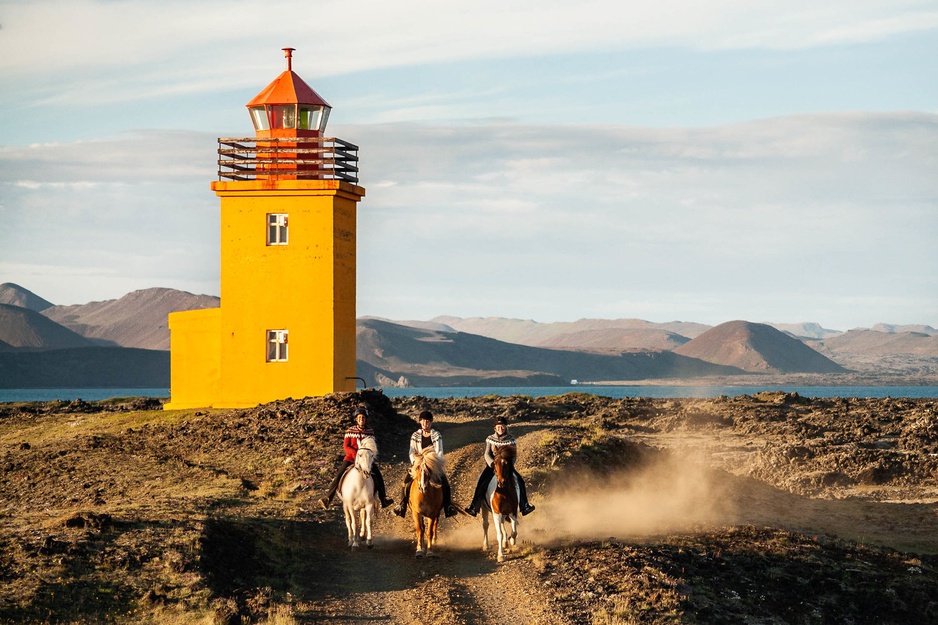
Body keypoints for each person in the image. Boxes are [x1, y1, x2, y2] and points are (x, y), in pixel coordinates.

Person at [319, 407, 393, 509]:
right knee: (339, 475)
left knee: (378, 476)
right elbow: (346, 446)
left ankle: (383, 499)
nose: (361, 420)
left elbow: (372, 446)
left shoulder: (370, 432)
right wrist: (356, 455)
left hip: (366, 460)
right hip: (350, 458)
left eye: (363, 418)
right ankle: (328, 498)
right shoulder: (350, 431)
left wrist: (368, 457)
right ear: (356, 419)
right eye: (359, 418)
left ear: (366, 419)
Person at [464, 416, 535, 516]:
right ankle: (474, 506)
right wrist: (492, 463)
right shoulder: (489, 439)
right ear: (495, 428)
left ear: (505, 427)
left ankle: (524, 506)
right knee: (481, 482)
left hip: (507, 467)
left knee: (520, 481)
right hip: (492, 466)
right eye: (498, 427)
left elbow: (513, 455)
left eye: (502, 427)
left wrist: (508, 464)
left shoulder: (511, 440)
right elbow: (486, 454)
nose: (500, 429)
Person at [393, 410, 458, 518]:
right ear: (420, 422)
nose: (425, 424)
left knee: (445, 483)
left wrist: (433, 463)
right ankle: (402, 505)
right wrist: (416, 463)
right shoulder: (415, 435)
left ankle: (448, 507)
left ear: (431, 423)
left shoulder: (436, 435)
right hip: (418, 464)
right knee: (406, 482)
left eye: (427, 422)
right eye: (423, 421)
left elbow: (439, 451)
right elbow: (411, 451)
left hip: (432, 465)